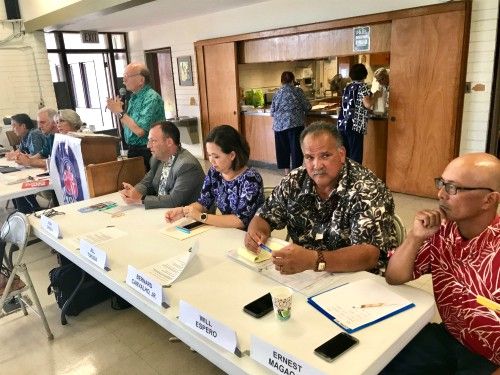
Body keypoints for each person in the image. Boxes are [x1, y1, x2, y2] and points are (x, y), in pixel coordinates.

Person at [382, 153, 500, 375]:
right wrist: (415, 237)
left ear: (489, 200)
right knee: (381, 362)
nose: (440, 194)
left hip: (490, 360)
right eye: (442, 183)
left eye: (453, 188)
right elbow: (394, 276)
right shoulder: (443, 230)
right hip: (450, 337)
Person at [245, 122, 397, 274]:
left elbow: (368, 255)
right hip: (306, 276)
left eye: (325, 155)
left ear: (341, 154)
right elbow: (264, 216)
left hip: (359, 279)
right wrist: (255, 233)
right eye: (309, 157)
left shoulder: (367, 188)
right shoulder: (294, 181)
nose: (317, 165)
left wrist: (313, 260)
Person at [165, 125, 264, 230]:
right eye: (209, 155)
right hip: (226, 231)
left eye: (216, 156)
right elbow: (203, 203)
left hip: (249, 236)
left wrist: (201, 217)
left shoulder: (251, 179)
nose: (211, 161)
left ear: (232, 155)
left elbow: (240, 221)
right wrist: (183, 211)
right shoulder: (215, 172)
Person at [120, 121, 205, 210]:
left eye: (153, 141)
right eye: (149, 140)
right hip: (164, 211)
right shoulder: (156, 159)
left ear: (169, 142)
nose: (148, 145)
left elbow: (174, 200)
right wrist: (134, 192)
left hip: (188, 217)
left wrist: (141, 198)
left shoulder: (187, 165)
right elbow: (146, 183)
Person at [106, 62, 165, 171]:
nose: (124, 80)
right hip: (134, 149)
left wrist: (120, 112)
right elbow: (128, 127)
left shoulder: (152, 98)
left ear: (141, 80)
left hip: (148, 150)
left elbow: (140, 131)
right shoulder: (133, 98)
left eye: (127, 76)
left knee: (148, 185)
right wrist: (119, 111)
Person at [270, 71, 311, 175]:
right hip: (295, 124)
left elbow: (272, 112)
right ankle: (296, 173)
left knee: (283, 150)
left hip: (279, 126)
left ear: (281, 81)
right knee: (296, 150)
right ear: (293, 80)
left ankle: (287, 173)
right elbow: (307, 106)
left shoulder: (277, 93)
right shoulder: (297, 91)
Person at [337, 63, 377, 164]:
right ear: (364, 74)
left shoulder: (347, 87)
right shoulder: (363, 87)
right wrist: (375, 97)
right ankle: (354, 178)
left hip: (343, 124)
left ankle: (346, 177)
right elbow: (367, 104)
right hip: (355, 125)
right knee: (355, 156)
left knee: (345, 155)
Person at [5, 113, 45, 213]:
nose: (12, 128)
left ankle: (31, 211)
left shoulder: (34, 133)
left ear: (23, 126)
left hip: (41, 169)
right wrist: (13, 154)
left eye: (14, 125)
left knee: (18, 186)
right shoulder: (25, 135)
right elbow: (20, 151)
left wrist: (21, 157)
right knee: (14, 182)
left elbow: (37, 155)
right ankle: (24, 210)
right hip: (33, 168)